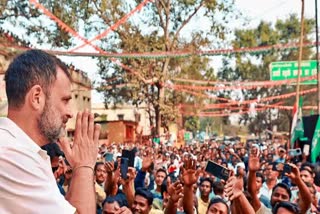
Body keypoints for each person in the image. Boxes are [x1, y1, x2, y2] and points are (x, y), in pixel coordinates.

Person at [0, 49, 101, 213]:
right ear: (37, 97)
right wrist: (84, 165)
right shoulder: (11, 154)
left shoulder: (23, 151)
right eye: (65, 100)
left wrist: (78, 168)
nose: (70, 112)